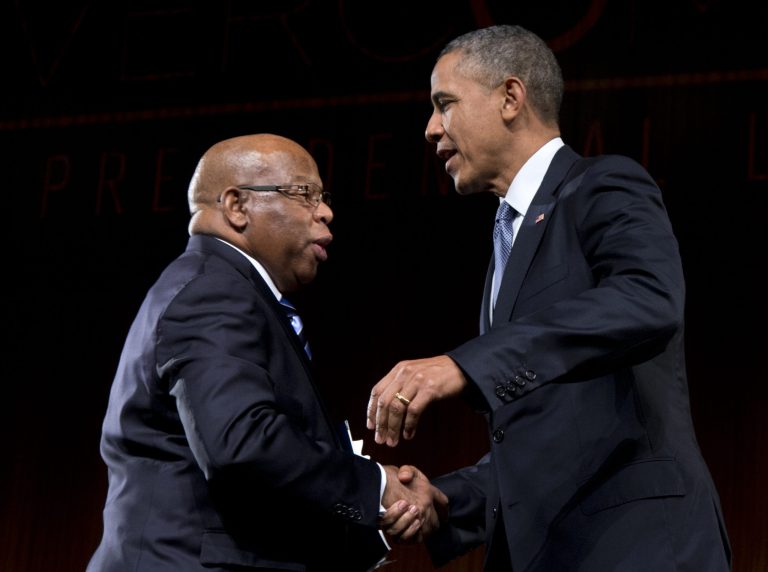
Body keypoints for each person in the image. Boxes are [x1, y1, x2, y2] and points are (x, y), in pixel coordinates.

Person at [367, 25, 732, 571]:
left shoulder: (603, 184)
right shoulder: (506, 244)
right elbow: (551, 435)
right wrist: (447, 501)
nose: (430, 129)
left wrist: (463, 365)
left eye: (444, 104)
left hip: (637, 546)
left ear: (510, 98)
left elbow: (648, 299)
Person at [86, 133, 446, 572]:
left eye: (323, 196)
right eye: (304, 194)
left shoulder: (227, 290)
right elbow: (243, 445)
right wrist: (376, 487)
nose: (326, 211)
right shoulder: (213, 291)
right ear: (237, 206)